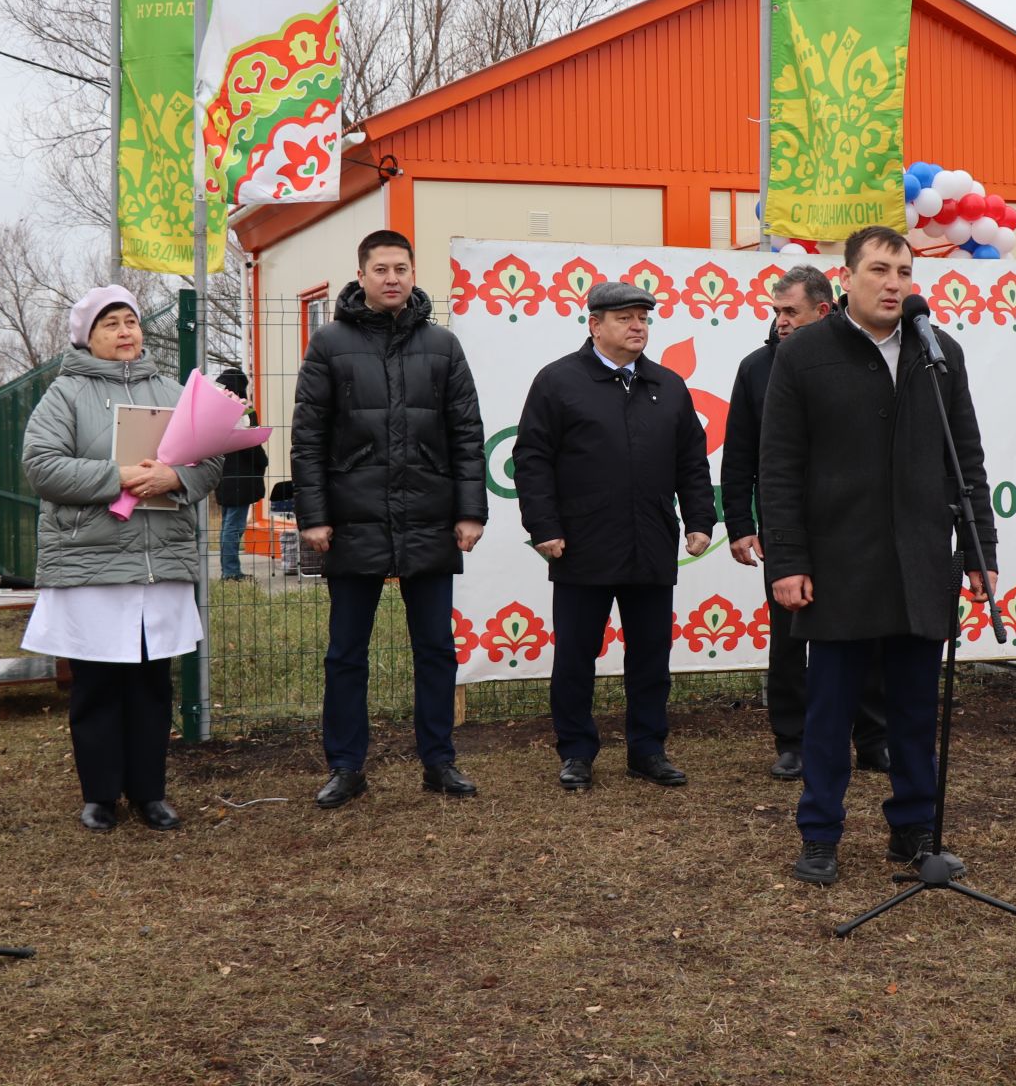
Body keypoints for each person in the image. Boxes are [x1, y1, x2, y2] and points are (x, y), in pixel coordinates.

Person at [759, 227, 998, 886]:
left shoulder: (937, 352)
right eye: (880, 269)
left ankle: (914, 832)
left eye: (904, 271)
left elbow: (966, 459)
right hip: (837, 566)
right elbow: (778, 467)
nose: (895, 283)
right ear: (847, 278)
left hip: (919, 563)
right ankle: (820, 836)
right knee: (830, 712)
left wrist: (981, 547)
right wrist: (787, 561)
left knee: (915, 712)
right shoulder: (805, 354)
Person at [292, 229, 488, 806]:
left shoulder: (443, 345)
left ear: (412, 271)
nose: (393, 278)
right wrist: (314, 515)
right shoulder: (328, 343)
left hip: (429, 516)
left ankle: (439, 761)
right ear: (362, 275)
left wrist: (470, 510)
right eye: (381, 269)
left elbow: (466, 433)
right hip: (352, 519)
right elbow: (308, 437)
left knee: (435, 649)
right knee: (346, 653)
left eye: (401, 267)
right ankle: (346, 766)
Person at [21, 286, 223, 833]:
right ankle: (100, 795)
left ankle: (150, 793)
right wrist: (122, 477)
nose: (125, 331)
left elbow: (211, 461)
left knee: (152, 681)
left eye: (130, 320)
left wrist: (176, 477)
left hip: (160, 563)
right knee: (98, 681)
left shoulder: (174, 391)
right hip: (93, 562)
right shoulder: (64, 394)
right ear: (87, 337)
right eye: (110, 323)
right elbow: (42, 466)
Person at [513, 281, 717, 791]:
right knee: (577, 656)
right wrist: (544, 527)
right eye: (625, 318)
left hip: (650, 542)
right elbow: (532, 459)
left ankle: (647, 750)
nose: (637, 327)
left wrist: (698, 520)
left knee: (651, 656)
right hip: (581, 544)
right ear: (595, 325)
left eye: (643, 319)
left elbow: (692, 461)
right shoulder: (558, 381)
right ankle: (576, 753)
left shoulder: (668, 385)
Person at [721, 266, 888, 780]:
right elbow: (740, 456)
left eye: (789, 311)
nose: (780, 322)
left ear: (824, 309)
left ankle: (874, 739)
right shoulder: (756, 368)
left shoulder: (867, 357)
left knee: (867, 636)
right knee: (790, 641)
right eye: (775, 312)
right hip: (787, 531)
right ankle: (792, 742)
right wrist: (740, 523)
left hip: (856, 528)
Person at [213, 366, 267, 583]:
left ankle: (230, 569)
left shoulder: (215, 412)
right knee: (234, 527)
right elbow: (253, 439)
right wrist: (263, 460)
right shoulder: (242, 411)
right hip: (241, 478)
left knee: (229, 524)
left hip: (224, 476)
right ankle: (231, 572)